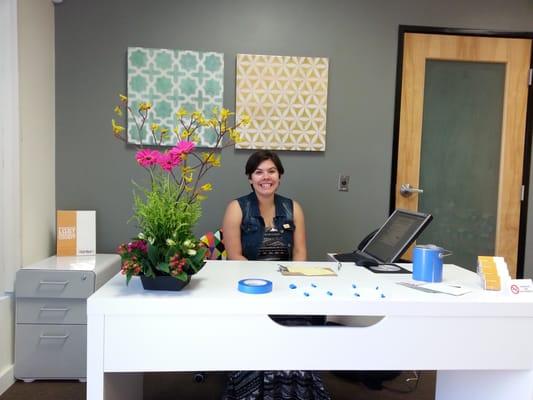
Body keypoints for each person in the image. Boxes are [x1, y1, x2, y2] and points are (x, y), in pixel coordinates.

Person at [221, 150, 330, 400]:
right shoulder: (236, 208)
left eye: (271, 171)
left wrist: (289, 286)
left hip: (286, 287)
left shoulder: (293, 208)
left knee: (301, 323)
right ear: (250, 178)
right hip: (249, 289)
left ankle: (296, 388)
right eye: (258, 172)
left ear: (279, 176)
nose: (265, 177)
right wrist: (263, 286)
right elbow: (234, 257)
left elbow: (301, 254)